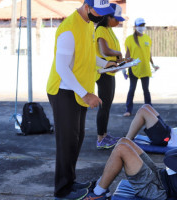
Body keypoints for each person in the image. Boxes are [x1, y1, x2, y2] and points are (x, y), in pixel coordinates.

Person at [46, 0, 115, 199]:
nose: (100, 16)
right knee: (67, 141)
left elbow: (86, 56)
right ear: (86, 6)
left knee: (77, 139)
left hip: (77, 90)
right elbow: (62, 68)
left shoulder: (87, 25)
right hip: (63, 91)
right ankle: (62, 190)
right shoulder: (69, 29)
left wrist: (106, 64)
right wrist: (85, 94)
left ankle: (70, 182)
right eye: (97, 11)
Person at [82, 132, 177, 199]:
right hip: (159, 176)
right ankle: (102, 187)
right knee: (124, 141)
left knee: (121, 149)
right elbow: (170, 158)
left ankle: (99, 193)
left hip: (156, 189)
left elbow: (169, 159)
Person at [95, 3, 125, 149]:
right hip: (103, 72)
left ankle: (104, 135)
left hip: (110, 71)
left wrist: (124, 61)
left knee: (107, 105)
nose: (119, 22)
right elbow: (105, 51)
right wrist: (118, 55)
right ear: (108, 17)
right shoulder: (100, 29)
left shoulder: (109, 30)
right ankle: (100, 138)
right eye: (116, 19)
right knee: (104, 106)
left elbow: (114, 53)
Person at [123, 18, 159, 117]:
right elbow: (127, 54)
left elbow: (149, 54)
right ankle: (128, 110)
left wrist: (153, 64)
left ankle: (149, 109)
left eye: (143, 25)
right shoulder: (129, 39)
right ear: (135, 27)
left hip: (145, 68)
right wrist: (124, 67)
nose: (141, 27)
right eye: (139, 25)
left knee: (146, 90)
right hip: (133, 68)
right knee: (132, 89)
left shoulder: (147, 38)